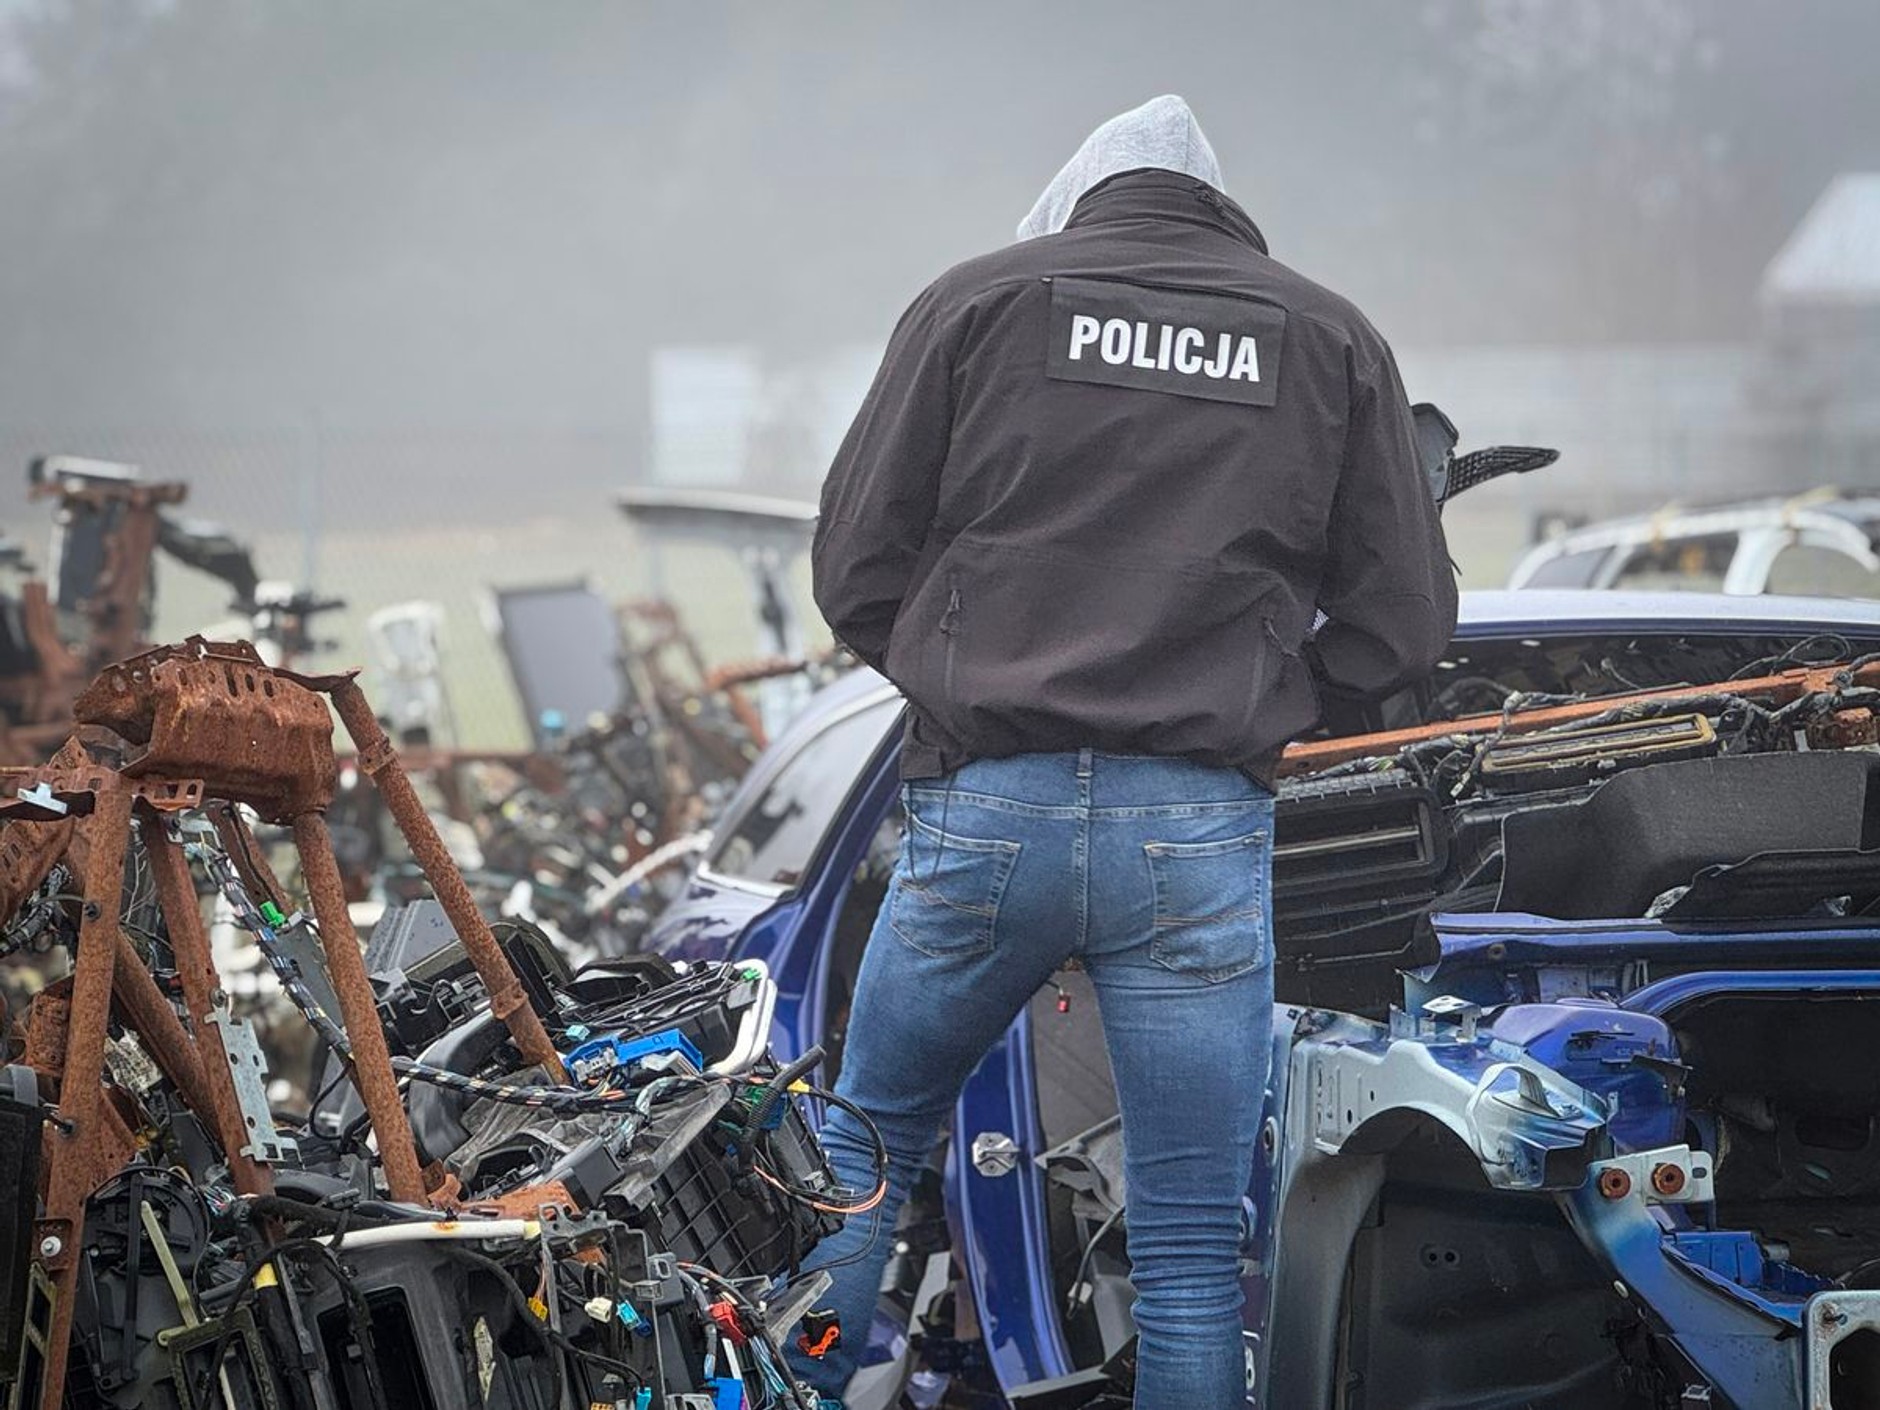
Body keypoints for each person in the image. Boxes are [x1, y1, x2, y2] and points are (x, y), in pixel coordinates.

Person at [800, 95, 1456, 1408]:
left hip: (986, 813)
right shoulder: (1326, 335)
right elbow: (1409, 616)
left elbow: (852, 566)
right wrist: (1275, 697)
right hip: (1197, 836)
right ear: (1218, 207)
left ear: (1080, 201)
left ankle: (776, 1380)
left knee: (854, 1158)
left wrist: (959, 684)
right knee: (1193, 1249)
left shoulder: (973, 304)